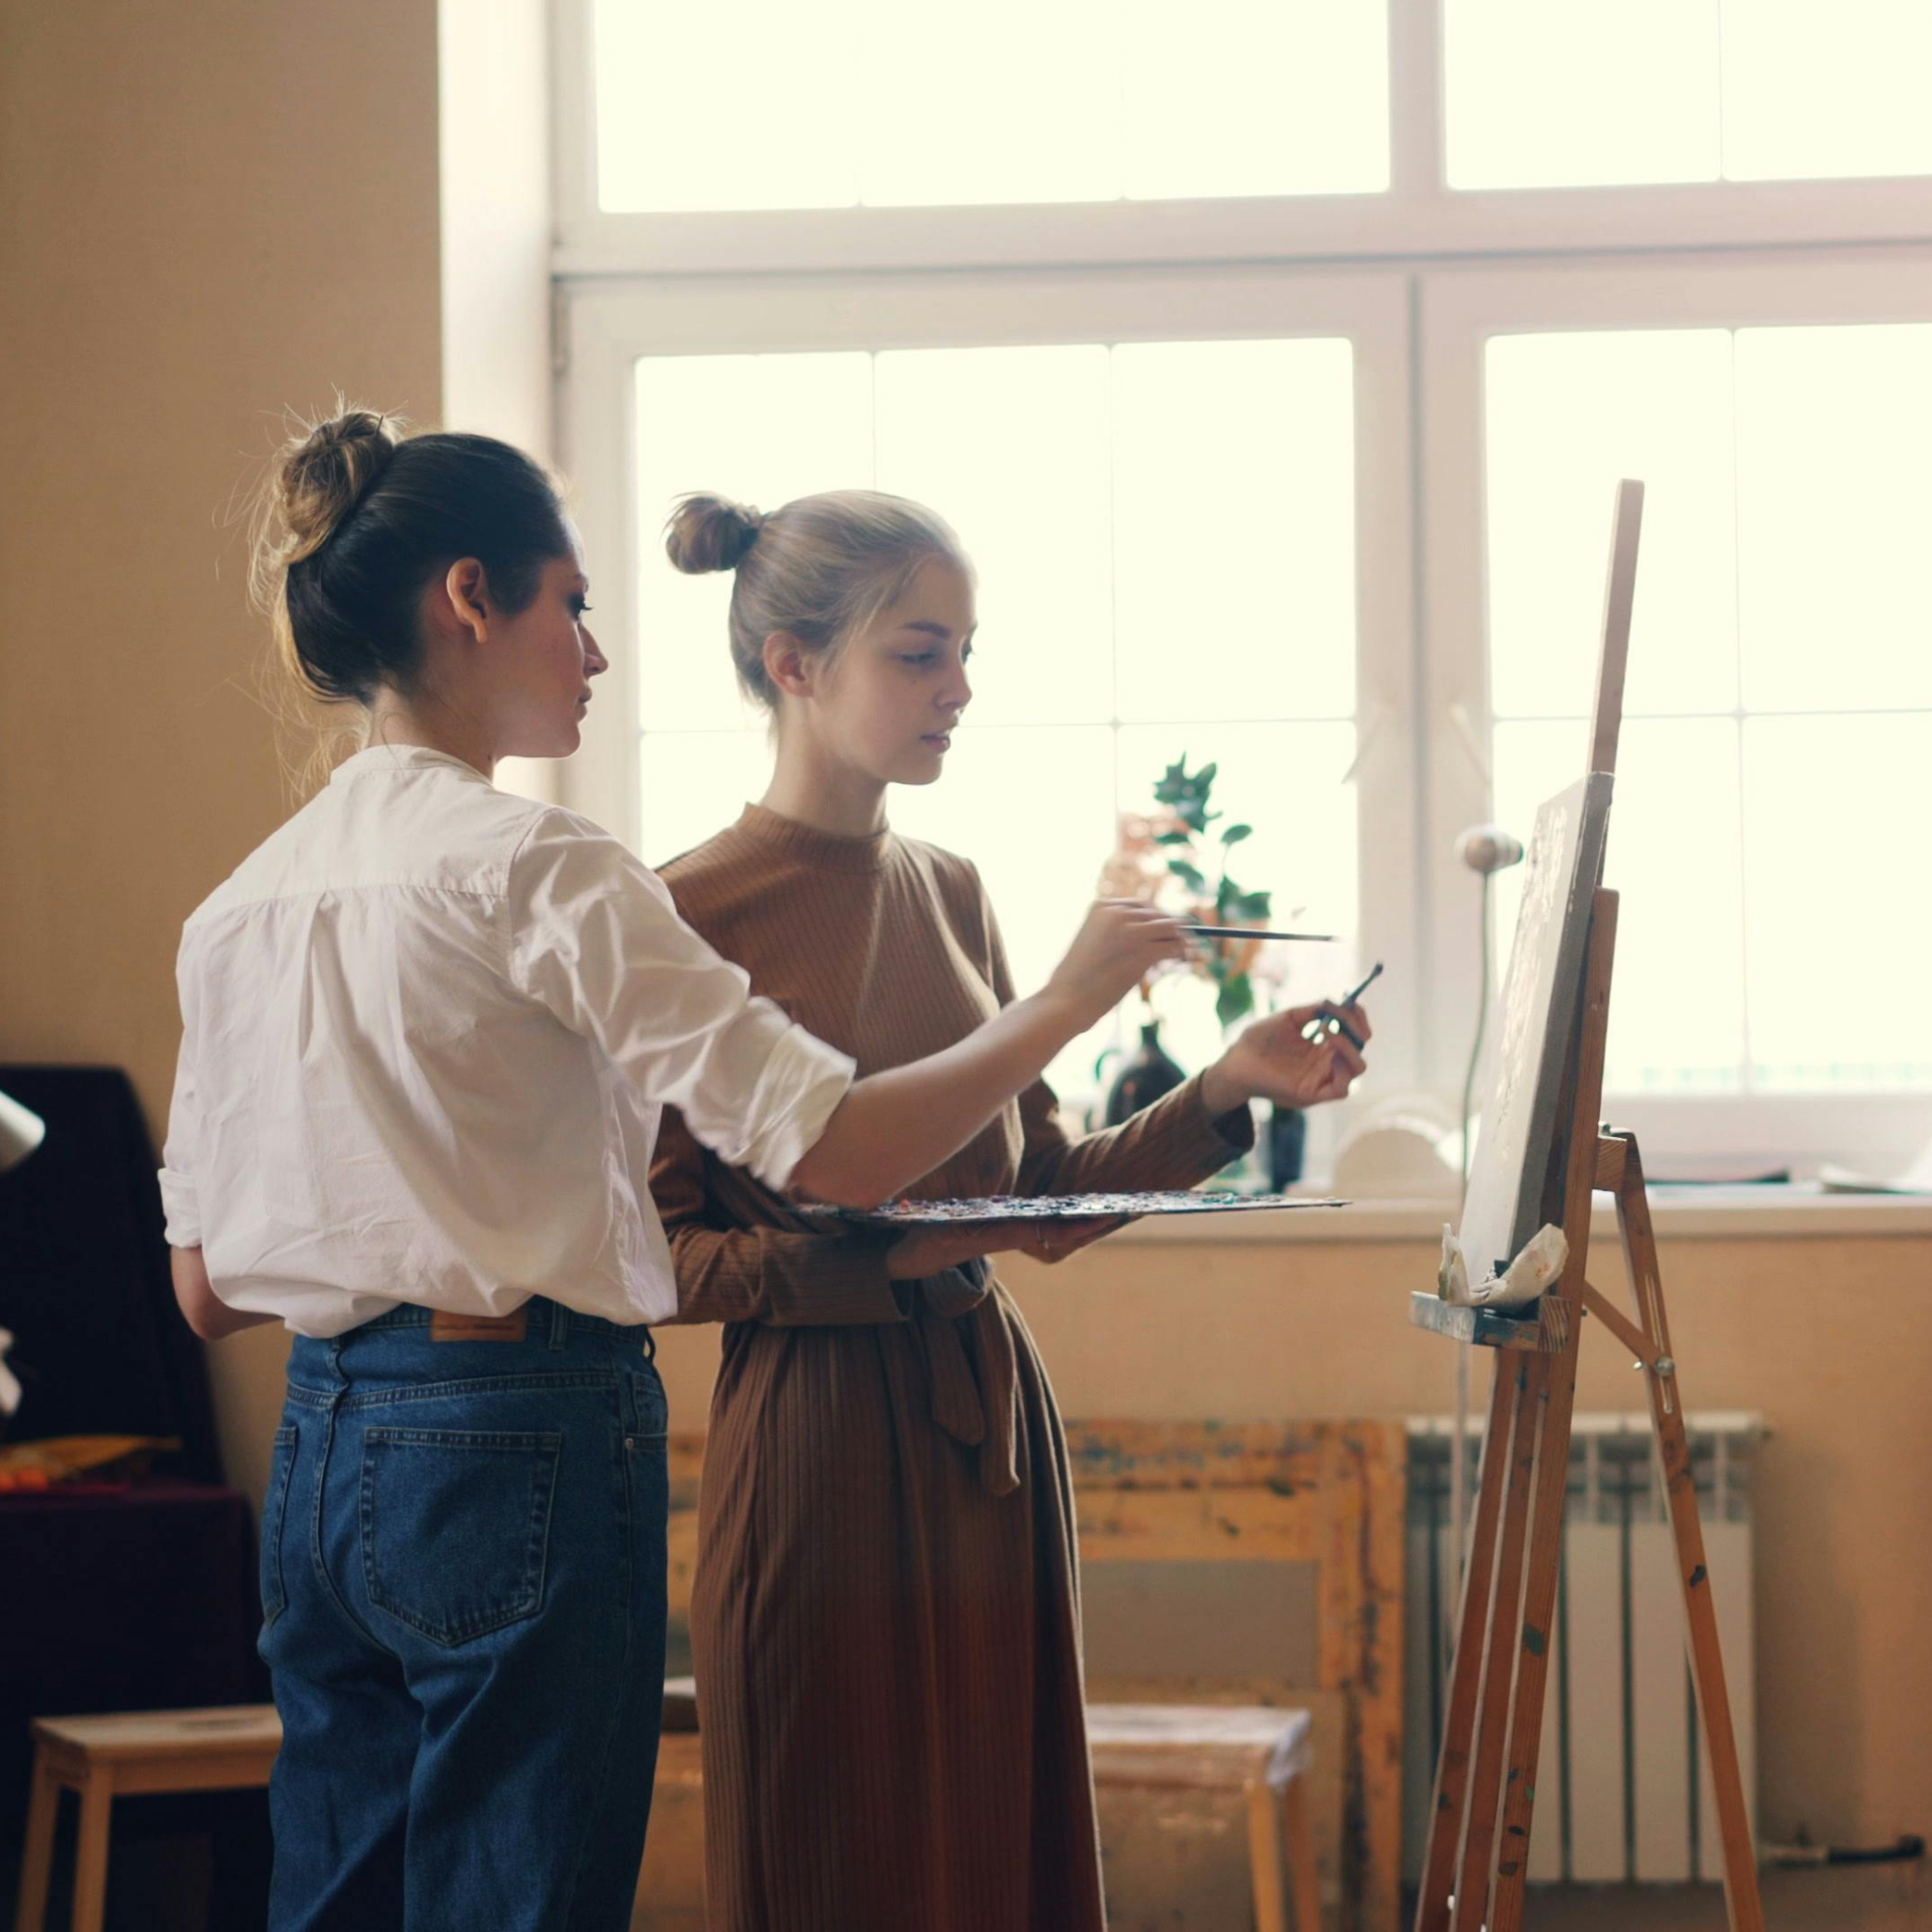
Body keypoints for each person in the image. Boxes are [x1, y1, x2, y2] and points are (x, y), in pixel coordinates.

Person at [156, 412, 1185, 1932]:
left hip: (321, 1452)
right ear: (467, 600)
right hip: (521, 1429)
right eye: (570, 603)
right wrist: (1067, 1004)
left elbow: (204, 1292)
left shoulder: (237, 907)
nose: (598, 649)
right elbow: (829, 1143)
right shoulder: (545, 869)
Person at [650, 488, 1373, 1932]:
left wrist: (1230, 1090)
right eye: (921, 653)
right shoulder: (684, 913)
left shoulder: (951, 885)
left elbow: (1039, 1193)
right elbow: (661, 1257)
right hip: (817, 1449)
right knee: (830, 1864)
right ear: (796, 662)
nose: (960, 690)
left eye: (966, 651)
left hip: (988, 1440)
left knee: (1000, 1865)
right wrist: (899, 1256)